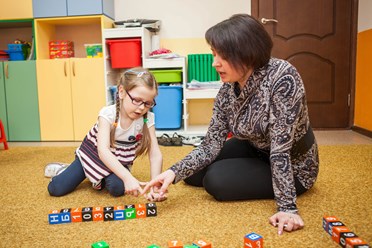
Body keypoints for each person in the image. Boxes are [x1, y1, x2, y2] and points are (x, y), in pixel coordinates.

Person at [143, 14, 319, 234]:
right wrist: (170, 173)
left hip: (293, 164)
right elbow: (210, 144)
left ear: (247, 53)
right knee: (192, 174)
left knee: (216, 180)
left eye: (223, 56)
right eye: (214, 54)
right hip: (255, 147)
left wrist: (287, 208)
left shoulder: (283, 77)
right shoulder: (227, 89)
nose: (214, 63)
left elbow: (280, 150)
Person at [46, 67, 166, 202]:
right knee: (56, 189)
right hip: (92, 157)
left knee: (118, 189)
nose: (142, 107)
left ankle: (98, 178)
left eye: (148, 103)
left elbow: (155, 153)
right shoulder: (107, 114)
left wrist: (155, 185)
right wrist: (128, 177)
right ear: (121, 92)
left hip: (118, 161)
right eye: (137, 100)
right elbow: (102, 151)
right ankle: (66, 169)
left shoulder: (147, 118)